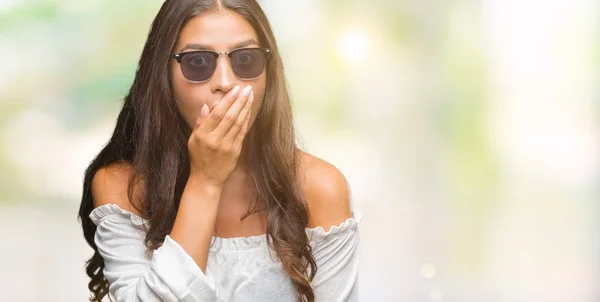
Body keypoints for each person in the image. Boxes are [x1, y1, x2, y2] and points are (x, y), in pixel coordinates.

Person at [77, 1, 361, 301]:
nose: (225, 83)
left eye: (245, 60)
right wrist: (205, 182)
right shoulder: (123, 186)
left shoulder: (320, 188)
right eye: (198, 62)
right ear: (163, 76)